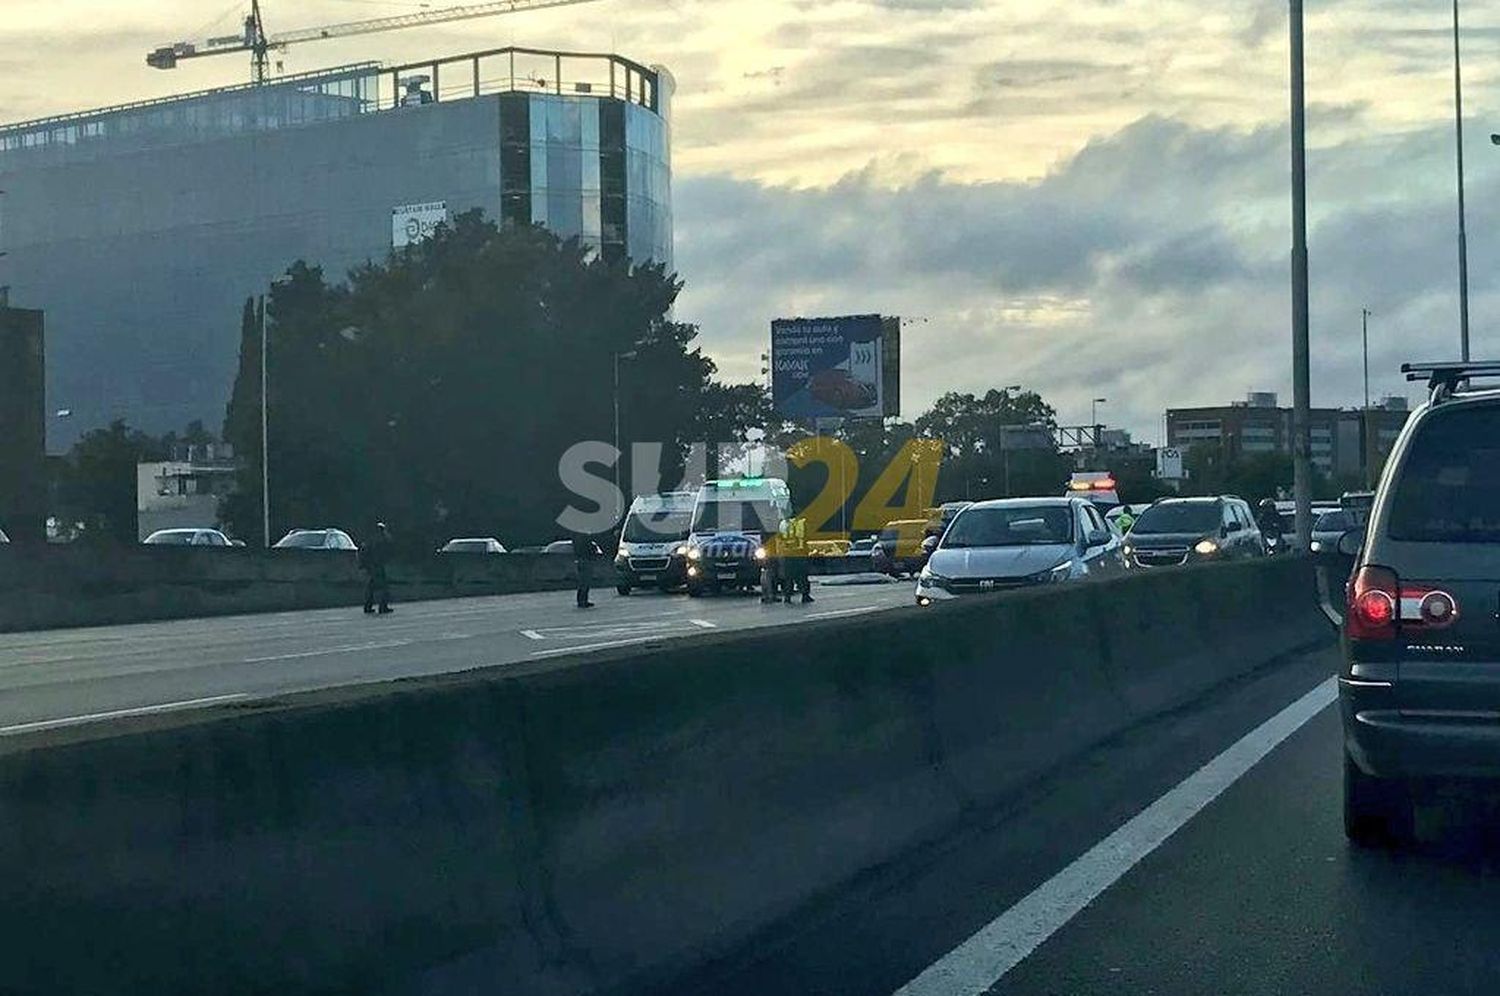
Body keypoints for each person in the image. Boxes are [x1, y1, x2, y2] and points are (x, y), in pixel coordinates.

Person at [360, 522, 394, 615]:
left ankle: (368, 606)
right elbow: (389, 544)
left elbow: (364, 551)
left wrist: (364, 565)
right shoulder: (380, 539)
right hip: (377, 565)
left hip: (372, 566)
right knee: (384, 587)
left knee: (371, 587)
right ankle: (383, 607)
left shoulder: (370, 539)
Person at [782, 516, 813, 604]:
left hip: (787, 554)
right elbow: (807, 537)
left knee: (788, 577)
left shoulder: (783, 523)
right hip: (800, 553)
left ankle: (787, 597)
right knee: (802, 577)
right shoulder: (802, 523)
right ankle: (805, 596)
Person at [572, 533, 602, 608]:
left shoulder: (578, 538)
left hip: (582, 560)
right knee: (585, 581)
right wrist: (593, 550)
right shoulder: (584, 538)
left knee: (584, 581)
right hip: (586, 560)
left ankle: (582, 600)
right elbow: (588, 548)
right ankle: (582, 601)